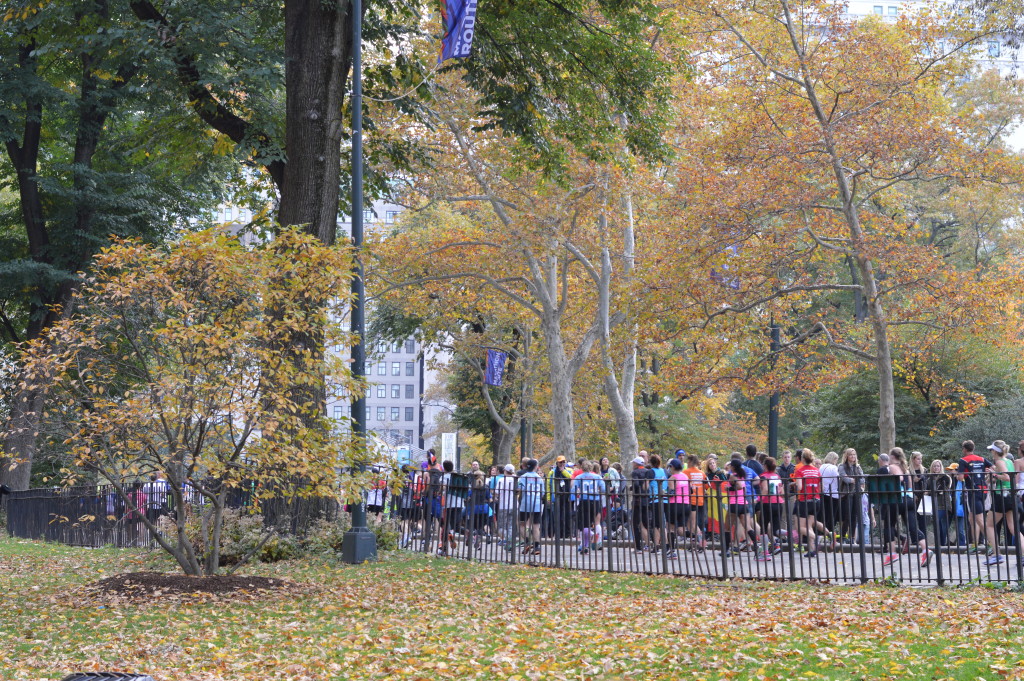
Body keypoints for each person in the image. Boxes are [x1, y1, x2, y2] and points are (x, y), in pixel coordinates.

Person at [888, 448, 931, 568]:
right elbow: (910, 486)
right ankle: (925, 550)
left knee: (889, 524)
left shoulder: (893, 467)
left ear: (892, 456)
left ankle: (892, 554)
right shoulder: (906, 469)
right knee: (913, 528)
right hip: (910, 500)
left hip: (899, 499)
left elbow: (899, 478)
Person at [957, 440, 994, 557]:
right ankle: (974, 545)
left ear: (964, 449)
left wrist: (957, 474)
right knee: (972, 519)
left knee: (979, 520)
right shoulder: (982, 459)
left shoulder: (963, 460)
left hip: (974, 491)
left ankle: (991, 544)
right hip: (983, 490)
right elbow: (994, 467)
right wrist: (988, 473)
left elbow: (960, 478)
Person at [988, 441, 1023, 565]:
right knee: (1014, 528)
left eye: (991, 450)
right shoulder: (1009, 461)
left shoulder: (999, 462)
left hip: (1001, 496)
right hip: (1011, 495)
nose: (991, 452)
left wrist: (995, 475)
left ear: (995, 451)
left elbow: (1007, 477)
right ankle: (1023, 555)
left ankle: (997, 554)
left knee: (989, 525)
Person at [792, 449, 823, 558]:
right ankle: (812, 550)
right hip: (816, 500)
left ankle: (814, 537)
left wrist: (794, 484)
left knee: (800, 528)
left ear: (802, 459)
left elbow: (800, 487)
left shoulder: (800, 470)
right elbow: (820, 486)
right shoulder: (816, 470)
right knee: (809, 525)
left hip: (804, 501)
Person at [726, 459, 758, 556]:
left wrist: (728, 488)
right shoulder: (742, 476)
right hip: (743, 504)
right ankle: (756, 546)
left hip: (734, 503)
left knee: (726, 528)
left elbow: (739, 486)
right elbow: (742, 487)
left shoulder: (733, 476)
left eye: (731, 465)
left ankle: (726, 550)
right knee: (747, 527)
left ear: (733, 467)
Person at [572, 461, 605, 555]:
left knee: (584, 524)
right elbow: (603, 489)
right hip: (595, 501)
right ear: (591, 468)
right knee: (595, 521)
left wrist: (578, 492)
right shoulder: (597, 477)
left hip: (584, 501)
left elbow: (573, 490)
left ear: (582, 468)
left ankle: (589, 539)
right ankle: (588, 544)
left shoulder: (579, 477)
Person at [758, 457, 785, 559]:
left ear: (765, 466)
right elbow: (782, 492)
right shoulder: (777, 476)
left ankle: (765, 553)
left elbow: (765, 489)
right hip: (778, 503)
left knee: (764, 528)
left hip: (767, 503)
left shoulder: (764, 476)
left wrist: (758, 499)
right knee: (776, 529)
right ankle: (790, 533)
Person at [517, 458, 545, 556]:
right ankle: (537, 546)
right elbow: (543, 493)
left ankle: (528, 541)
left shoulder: (523, 477)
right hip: (536, 503)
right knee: (536, 525)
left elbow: (519, 489)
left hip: (525, 503)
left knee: (521, 524)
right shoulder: (539, 478)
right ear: (535, 467)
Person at [924, 459, 953, 548]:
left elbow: (942, 490)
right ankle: (939, 543)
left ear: (941, 467)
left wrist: (930, 492)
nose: (936, 467)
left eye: (938, 466)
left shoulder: (945, 477)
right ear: (932, 467)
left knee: (942, 524)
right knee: (937, 525)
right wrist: (931, 492)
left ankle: (942, 544)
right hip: (933, 504)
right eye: (934, 466)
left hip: (943, 504)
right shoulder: (929, 479)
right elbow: (927, 491)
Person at [838, 448, 865, 543]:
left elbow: (862, 480)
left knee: (854, 516)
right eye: (851, 455)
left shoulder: (857, 467)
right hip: (846, 493)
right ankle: (842, 536)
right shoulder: (842, 466)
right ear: (847, 456)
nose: (853, 456)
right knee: (847, 516)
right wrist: (855, 479)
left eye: (854, 454)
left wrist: (854, 479)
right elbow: (845, 479)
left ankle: (852, 538)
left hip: (856, 493)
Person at [667, 458, 689, 559]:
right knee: (681, 528)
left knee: (671, 527)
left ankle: (671, 551)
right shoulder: (685, 476)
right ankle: (694, 536)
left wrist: (664, 494)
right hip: (686, 504)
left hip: (675, 504)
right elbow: (691, 490)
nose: (669, 469)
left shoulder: (672, 478)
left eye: (670, 467)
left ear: (673, 467)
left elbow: (672, 493)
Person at [547, 456, 573, 539]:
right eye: (560, 462)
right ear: (557, 463)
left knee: (567, 515)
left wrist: (563, 471)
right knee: (557, 516)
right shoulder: (552, 472)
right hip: (557, 496)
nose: (561, 464)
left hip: (567, 496)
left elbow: (571, 478)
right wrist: (548, 498)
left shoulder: (569, 470)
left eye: (563, 462)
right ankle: (558, 533)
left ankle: (567, 533)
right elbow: (548, 485)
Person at [684, 454, 707, 549]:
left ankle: (702, 541)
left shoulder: (686, 472)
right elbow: (706, 486)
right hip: (700, 500)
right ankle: (694, 542)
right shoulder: (701, 473)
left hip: (690, 499)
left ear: (689, 462)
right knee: (691, 522)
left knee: (692, 522)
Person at [630, 456, 652, 553]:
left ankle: (638, 547)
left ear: (636, 464)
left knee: (636, 523)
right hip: (646, 499)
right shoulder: (647, 471)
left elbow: (636, 484)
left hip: (638, 500)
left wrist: (634, 489)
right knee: (646, 522)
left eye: (633, 463)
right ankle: (650, 544)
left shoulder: (635, 472)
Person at [494, 464, 518, 548]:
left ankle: (507, 540)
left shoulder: (502, 480)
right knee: (511, 525)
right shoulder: (516, 479)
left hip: (503, 505)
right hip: (514, 505)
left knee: (501, 526)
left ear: (505, 471)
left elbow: (497, 492)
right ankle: (510, 541)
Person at [468, 471, 491, 550]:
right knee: (483, 525)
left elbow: (468, 497)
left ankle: (477, 541)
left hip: (474, 508)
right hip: (484, 508)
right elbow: (490, 499)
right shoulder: (486, 487)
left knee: (475, 526)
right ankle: (485, 536)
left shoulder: (472, 487)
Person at [819, 452, 841, 536]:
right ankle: (829, 534)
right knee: (832, 516)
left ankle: (821, 533)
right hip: (833, 493)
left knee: (823, 515)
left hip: (823, 493)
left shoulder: (821, 467)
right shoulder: (833, 467)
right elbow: (837, 479)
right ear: (834, 459)